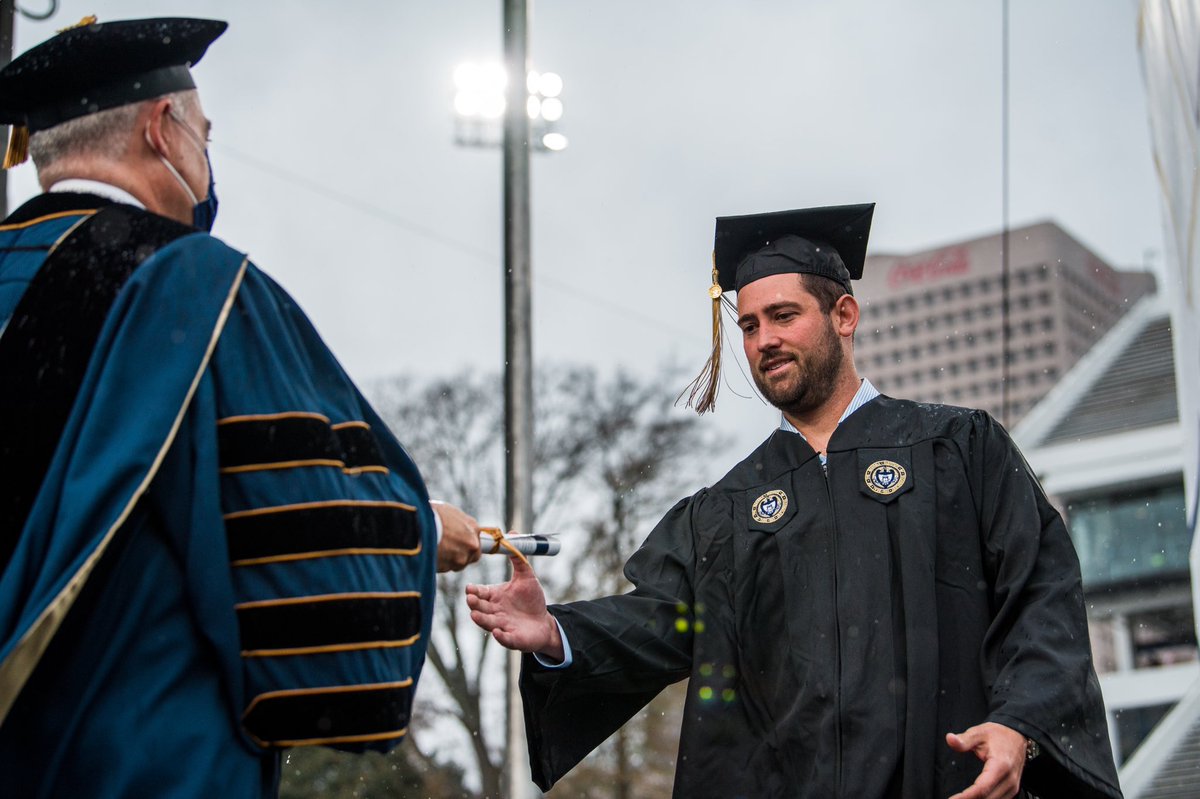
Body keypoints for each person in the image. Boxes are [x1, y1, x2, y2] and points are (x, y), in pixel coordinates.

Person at [467, 204, 1123, 799]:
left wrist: (1018, 722)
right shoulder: (725, 510)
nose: (762, 341)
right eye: (749, 325)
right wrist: (557, 633)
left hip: (946, 779)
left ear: (844, 315)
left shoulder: (958, 450)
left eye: (784, 316)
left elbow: (1041, 594)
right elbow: (664, 620)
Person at [0, 16, 481, 798]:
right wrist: (422, 530)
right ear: (163, 130)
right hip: (132, 764)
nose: (207, 159)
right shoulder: (193, 289)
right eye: (206, 134)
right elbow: (301, 534)